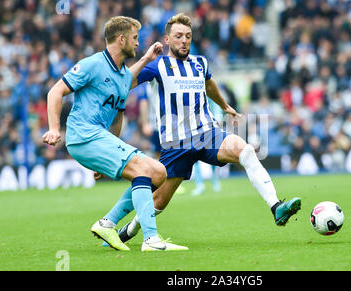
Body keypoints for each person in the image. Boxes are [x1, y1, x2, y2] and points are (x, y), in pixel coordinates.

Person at [105, 13, 301, 243]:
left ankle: (276, 206)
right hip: (176, 144)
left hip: (207, 134)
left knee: (246, 150)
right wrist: (146, 58)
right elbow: (125, 82)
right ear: (168, 40)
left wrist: (224, 105)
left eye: (188, 36)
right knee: (158, 202)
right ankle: (130, 230)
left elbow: (209, 84)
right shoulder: (158, 65)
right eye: (178, 36)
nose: (184, 40)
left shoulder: (200, 63)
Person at [42, 16, 187, 252]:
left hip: (99, 139)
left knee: (159, 173)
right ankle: (151, 240)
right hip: (83, 135)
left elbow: (118, 115)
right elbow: (55, 91)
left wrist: (147, 58)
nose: (138, 43)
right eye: (135, 38)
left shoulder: (122, 76)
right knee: (143, 169)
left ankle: (107, 223)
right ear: (121, 39)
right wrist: (54, 128)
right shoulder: (92, 64)